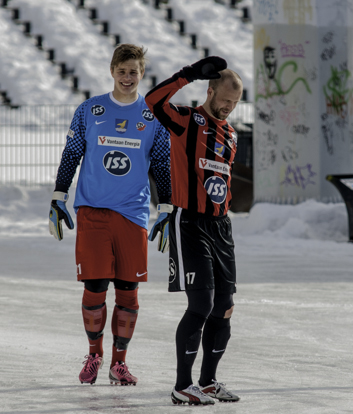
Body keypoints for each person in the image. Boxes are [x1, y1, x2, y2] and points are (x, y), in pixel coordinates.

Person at [48, 43, 171, 386]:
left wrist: (166, 206)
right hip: (92, 211)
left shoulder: (152, 115)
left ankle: (120, 362)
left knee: (128, 288)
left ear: (142, 73)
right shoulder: (90, 109)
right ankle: (94, 355)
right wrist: (59, 195)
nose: (127, 77)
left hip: (132, 214)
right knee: (95, 286)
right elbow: (71, 154)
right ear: (112, 71)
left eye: (134, 71)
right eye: (122, 71)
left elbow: (161, 164)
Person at [145, 57, 243, 405]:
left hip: (221, 227)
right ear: (210, 91)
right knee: (201, 302)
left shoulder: (231, 134)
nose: (229, 108)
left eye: (235, 104)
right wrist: (186, 75)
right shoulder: (187, 120)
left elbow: (223, 180)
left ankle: (208, 381)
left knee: (225, 306)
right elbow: (152, 101)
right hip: (189, 222)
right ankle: (181, 385)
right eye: (225, 101)